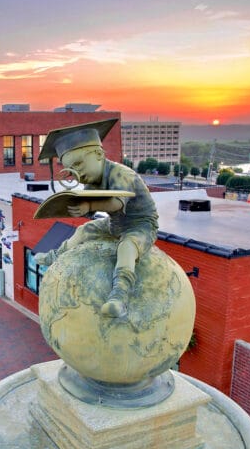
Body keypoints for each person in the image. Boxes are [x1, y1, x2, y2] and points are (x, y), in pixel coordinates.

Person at [34, 118, 159, 319]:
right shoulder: (92, 180)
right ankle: (55, 255)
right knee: (84, 230)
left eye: (79, 165)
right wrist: (76, 207)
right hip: (115, 224)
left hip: (140, 225)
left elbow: (117, 203)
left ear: (99, 154)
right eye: (71, 170)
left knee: (126, 247)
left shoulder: (121, 173)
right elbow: (89, 211)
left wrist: (90, 205)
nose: (77, 174)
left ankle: (119, 295)